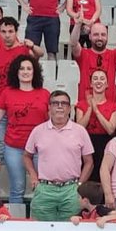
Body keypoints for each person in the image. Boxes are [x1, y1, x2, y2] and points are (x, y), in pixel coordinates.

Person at [24, 90, 96, 222]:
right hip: (45, 189)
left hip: (71, 189)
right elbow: (27, 156)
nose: (60, 106)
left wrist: (80, 184)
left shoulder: (80, 131)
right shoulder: (38, 131)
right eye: (55, 103)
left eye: (64, 103)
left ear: (70, 108)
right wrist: (33, 176)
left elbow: (89, 162)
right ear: (49, 107)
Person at [0, 55, 50, 204]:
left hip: (39, 148)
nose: (25, 71)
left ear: (35, 72)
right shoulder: (7, 93)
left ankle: (39, 220)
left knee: (41, 187)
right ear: (16, 72)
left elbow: (51, 122)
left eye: (29, 68)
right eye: (22, 68)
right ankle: (16, 222)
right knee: (17, 188)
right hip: (14, 147)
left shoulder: (45, 94)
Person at [0, 17, 44, 100]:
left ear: (16, 33)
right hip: (2, 98)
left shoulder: (24, 49)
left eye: (10, 31)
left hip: (22, 98)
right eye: (3, 32)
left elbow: (40, 54)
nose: (7, 35)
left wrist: (32, 46)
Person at [70, 15, 116, 97]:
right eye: (96, 34)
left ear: (107, 37)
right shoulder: (83, 54)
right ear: (90, 36)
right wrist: (77, 25)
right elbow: (73, 43)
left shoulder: (113, 55)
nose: (100, 38)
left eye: (103, 35)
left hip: (109, 107)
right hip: (86, 106)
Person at [75, 68, 116, 174]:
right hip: (86, 143)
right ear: (91, 84)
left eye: (102, 79)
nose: (98, 81)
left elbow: (110, 130)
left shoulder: (113, 106)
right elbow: (79, 128)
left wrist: (96, 110)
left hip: (105, 144)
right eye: (95, 79)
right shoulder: (81, 104)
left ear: (107, 84)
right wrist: (90, 108)